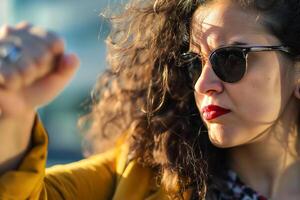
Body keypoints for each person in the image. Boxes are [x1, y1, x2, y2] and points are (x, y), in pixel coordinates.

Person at [0, 0, 299, 199]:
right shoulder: (134, 176)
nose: (203, 84)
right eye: (194, 63)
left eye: (231, 59)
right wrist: (13, 113)